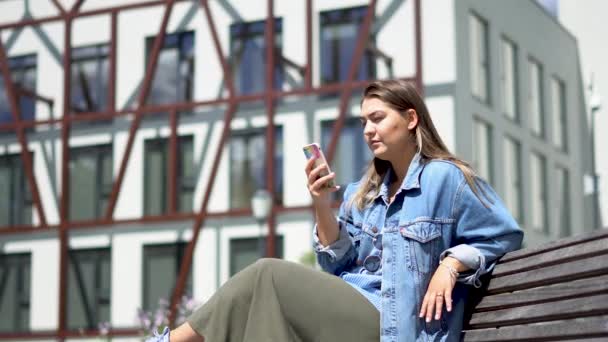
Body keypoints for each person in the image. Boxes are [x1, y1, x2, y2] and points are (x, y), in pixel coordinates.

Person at [146, 79, 523, 342]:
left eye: (378, 118)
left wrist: (451, 264)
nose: (367, 130)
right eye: (363, 122)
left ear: (410, 120)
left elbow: (502, 235)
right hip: (353, 311)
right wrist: (321, 204)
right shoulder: (363, 191)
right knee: (263, 310)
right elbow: (337, 263)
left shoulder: (446, 179)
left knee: (267, 275)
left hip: (394, 326)